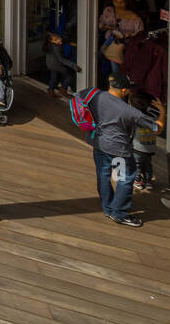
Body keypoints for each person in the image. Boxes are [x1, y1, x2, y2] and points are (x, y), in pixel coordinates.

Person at [85, 74, 165, 226]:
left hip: (99, 144)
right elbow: (157, 129)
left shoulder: (96, 96)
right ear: (122, 90)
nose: (129, 91)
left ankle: (108, 207)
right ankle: (119, 213)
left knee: (103, 175)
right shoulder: (129, 112)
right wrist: (162, 111)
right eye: (128, 89)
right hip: (118, 151)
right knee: (125, 178)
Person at [46, 31, 81, 98]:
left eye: (58, 38)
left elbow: (64, 41)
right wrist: (74, 66)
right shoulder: (56, 48)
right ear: (52, 42)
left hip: (50, 64)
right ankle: (63, 90)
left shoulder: (51, 44)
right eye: (56, 40)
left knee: (53, 78)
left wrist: (73, 44)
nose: (59, 40)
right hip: (56, 64)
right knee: (69, 76)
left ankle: (50, 91)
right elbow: (61, 59)